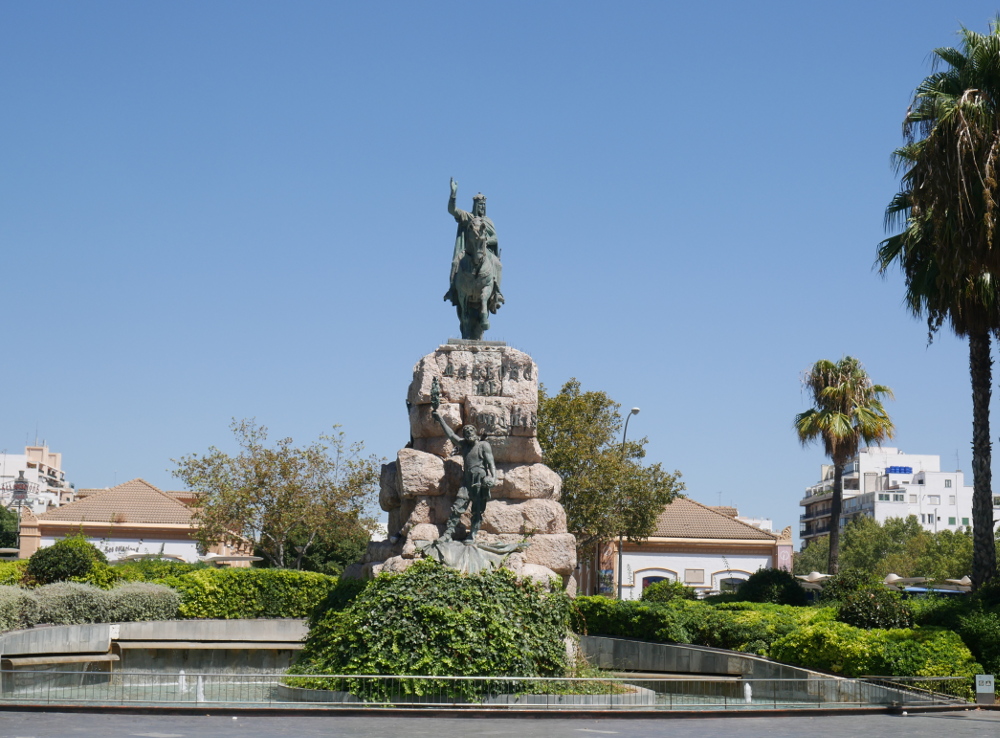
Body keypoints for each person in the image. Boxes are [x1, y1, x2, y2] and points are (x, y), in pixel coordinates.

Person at [431, 408, 496, 542]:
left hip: (479, 481)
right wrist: (440, 420)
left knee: (477, 510)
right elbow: (451, 435)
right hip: (467, 482)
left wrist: (493, 477)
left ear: (475, 432)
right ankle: (448, 534)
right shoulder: (464, 445)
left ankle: (473, 534)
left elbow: (491, 463)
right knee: (457, 507)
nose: (468, 434)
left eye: (470, 431)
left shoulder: (483, 445)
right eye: (466, 433)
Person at [444, 178, 503, 311]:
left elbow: (494, 237)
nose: (481, 207)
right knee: (455, 263)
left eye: (483, 205)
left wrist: (486, 241)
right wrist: (453, 195)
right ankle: (452, 290)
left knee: (498, 265)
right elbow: (452, 210)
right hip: (469, 251)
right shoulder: (467, 217)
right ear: (474, 205)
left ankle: (497, 294)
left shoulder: (488, 222)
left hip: (485, 251)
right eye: (479, 205)